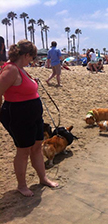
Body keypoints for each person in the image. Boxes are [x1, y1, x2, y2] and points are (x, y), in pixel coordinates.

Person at [0, 40, 59, 197]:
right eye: (31, 57)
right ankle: (22, 185)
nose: (32, 61)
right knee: (23, 151)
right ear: (26, 55)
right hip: (19, 116)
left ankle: (43, 178)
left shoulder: (21, 69)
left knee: (37, 147)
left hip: (33, 115)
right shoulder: (11, 69)